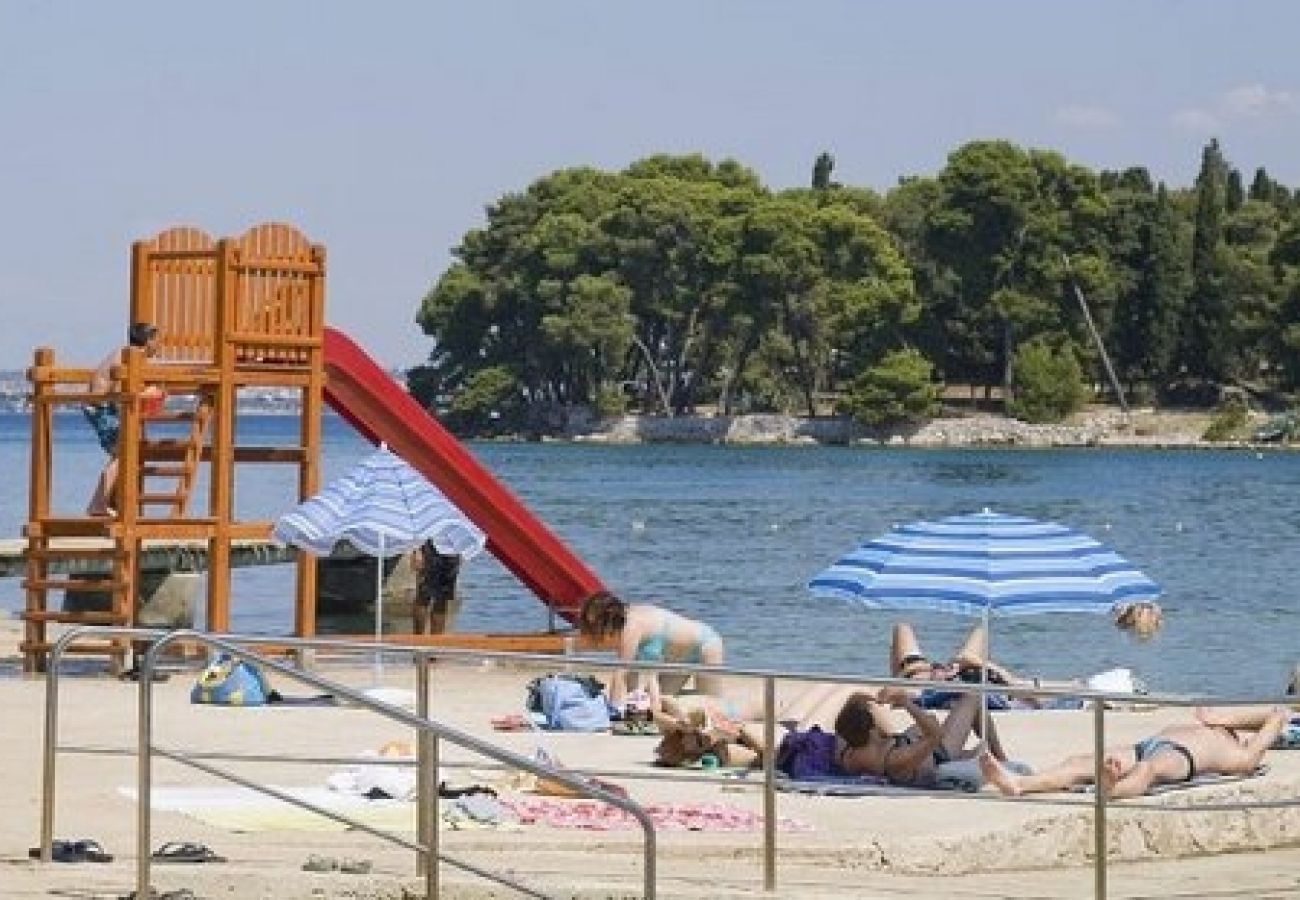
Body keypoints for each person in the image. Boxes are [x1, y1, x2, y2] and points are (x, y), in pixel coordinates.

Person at [979, 705, 1287, 799]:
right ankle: (1019, 784)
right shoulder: (1216, 728)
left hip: (1182, 758)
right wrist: (1221, 721)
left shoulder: (1236, 755)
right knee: (1077, 762)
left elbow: (1275, 716)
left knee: (1147, 772)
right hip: (1147, 745)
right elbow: (1211, 714)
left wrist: (1226, 722)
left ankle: (1111, 790)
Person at [577, 591, 724, 712]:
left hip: (705, 646)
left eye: (595, 625)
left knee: (712, 705)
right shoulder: (622, 625)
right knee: (657, 703)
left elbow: (620, 673)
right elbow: (627, 679)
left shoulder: (631, 627)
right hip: (679, 661)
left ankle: (737, 707)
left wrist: (613, 711)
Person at [84, 322, 162, 516]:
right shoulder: (128, 357)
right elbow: (119, 390)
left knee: (121, 455)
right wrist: (144, 394)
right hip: (101, 408)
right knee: (123, 455)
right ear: (149, 341)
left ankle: (98, 503)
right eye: (157, 341)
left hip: (104, 407)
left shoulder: (130, 355)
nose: (159, 346)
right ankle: (99, 504)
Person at [411, 541, 461, 635]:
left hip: (452, 551)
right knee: (424, 595)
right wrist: (416, 550)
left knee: (442, 598)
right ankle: (418, 637)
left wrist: (463, 550)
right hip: (430, 546)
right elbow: (418, 526)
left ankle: (436, 640)